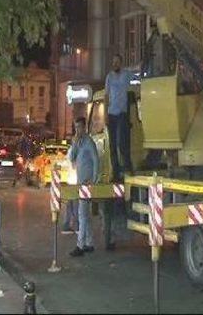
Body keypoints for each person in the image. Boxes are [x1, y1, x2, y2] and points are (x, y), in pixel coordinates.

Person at [68, 117, 99, 257]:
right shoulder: (78, 143)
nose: (77, 130)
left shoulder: (89, 143)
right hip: (80, 182)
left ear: (84, 128)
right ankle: (89, 242)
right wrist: (74, 144)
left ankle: (80, 245)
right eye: (75, 127)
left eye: (79, 127)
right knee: (85, 214)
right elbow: (72, 158)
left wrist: (93, 179)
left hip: (86, 183)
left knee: (82, 214)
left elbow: (96, 161)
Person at [105, 54, 133, 181]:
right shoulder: (109, 77)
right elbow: (106, 96)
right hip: (112, 113)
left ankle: (127, 167)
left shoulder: (126, 75)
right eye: (113, 62)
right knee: (113, 144)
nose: (115, 64)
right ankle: (116, 171)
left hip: (122, 113)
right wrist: (105, 114)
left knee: (122, 143)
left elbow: (137, 75)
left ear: (121, 63)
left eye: (117, 62)